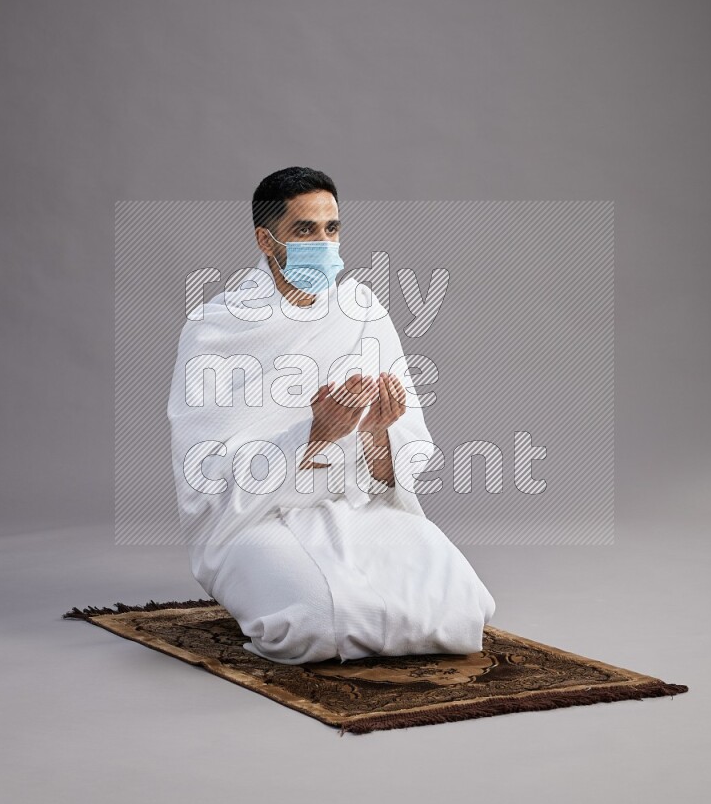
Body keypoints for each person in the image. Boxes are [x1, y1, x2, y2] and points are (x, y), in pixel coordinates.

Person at [167, 166, 496, 664]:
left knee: (464, 610)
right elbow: (205, 476)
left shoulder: (362, 311)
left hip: (357, 507)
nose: (323, 242)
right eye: (305, 230)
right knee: (315, 625)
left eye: (332, 228)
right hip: (257, 520)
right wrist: (313, 435)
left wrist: (378, 435)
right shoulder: (217, 329)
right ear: (267, 239)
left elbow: (396, 470)